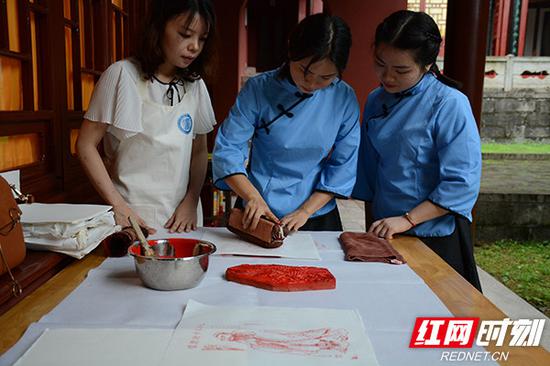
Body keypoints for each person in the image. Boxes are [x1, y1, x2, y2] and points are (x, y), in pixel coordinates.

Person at [352, 10, 482, 290]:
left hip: (434, 233)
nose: (387, 77)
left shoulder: (449, 104)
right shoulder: (376, 100)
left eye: (401, 71)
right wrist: (371, 231)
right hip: (385, 230)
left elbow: (461, 184)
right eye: (379, 64)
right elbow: (369, 174)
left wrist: (407, 220)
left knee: (435, 320)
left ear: (426, 65)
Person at [77, 0, 217, 234]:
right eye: (185, 34)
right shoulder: (122, 75)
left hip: (183, 216)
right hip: (132, 215)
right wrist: (118, 206)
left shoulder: (195, 85)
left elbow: (199, 151)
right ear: (159, 26)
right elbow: (85, 144)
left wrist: (192, 200)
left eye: (202, 39)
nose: (194, 46)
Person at [212, 13, 360, 232]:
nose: (311, 83)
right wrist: (252, 197)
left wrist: (305, 211)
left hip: (316, 212)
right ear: (291, 51)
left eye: (325, 78)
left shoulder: (343, 98)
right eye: (304, 70)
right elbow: (228, 150)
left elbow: (343, 166)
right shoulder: (259, 89)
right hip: (258, 208)